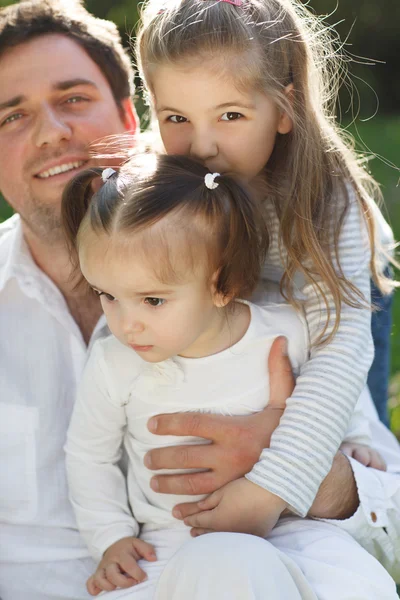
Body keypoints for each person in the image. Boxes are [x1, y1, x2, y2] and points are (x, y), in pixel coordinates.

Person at [0, 0, 399, 598]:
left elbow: (344, 376)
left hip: (263, 538)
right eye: (11, 115)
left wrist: (293, 477)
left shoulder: (315, 227)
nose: (203, 146)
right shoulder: (153, 197)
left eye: (75, 99)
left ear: (127, 114)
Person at [62, 153, 395, 599]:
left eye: (152, 300)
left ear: (221, 286)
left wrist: (355, 439)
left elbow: (333, 390)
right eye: (108, 295)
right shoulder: (114, 363)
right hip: (171, 536)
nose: (126, 324)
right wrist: (111, 537)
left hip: (291, 524)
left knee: (352, 585)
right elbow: (88, 456)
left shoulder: (284, 332)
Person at [135, 0, 396, 518]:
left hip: (341, 287)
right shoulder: (160, 186)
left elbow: (340, 348)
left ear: (282, 109)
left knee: (355, 416)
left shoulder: (325, 198)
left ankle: (354, 438)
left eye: (231, 115)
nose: (201, 145)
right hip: (253, 306)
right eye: (176, 117)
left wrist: (270, 489)